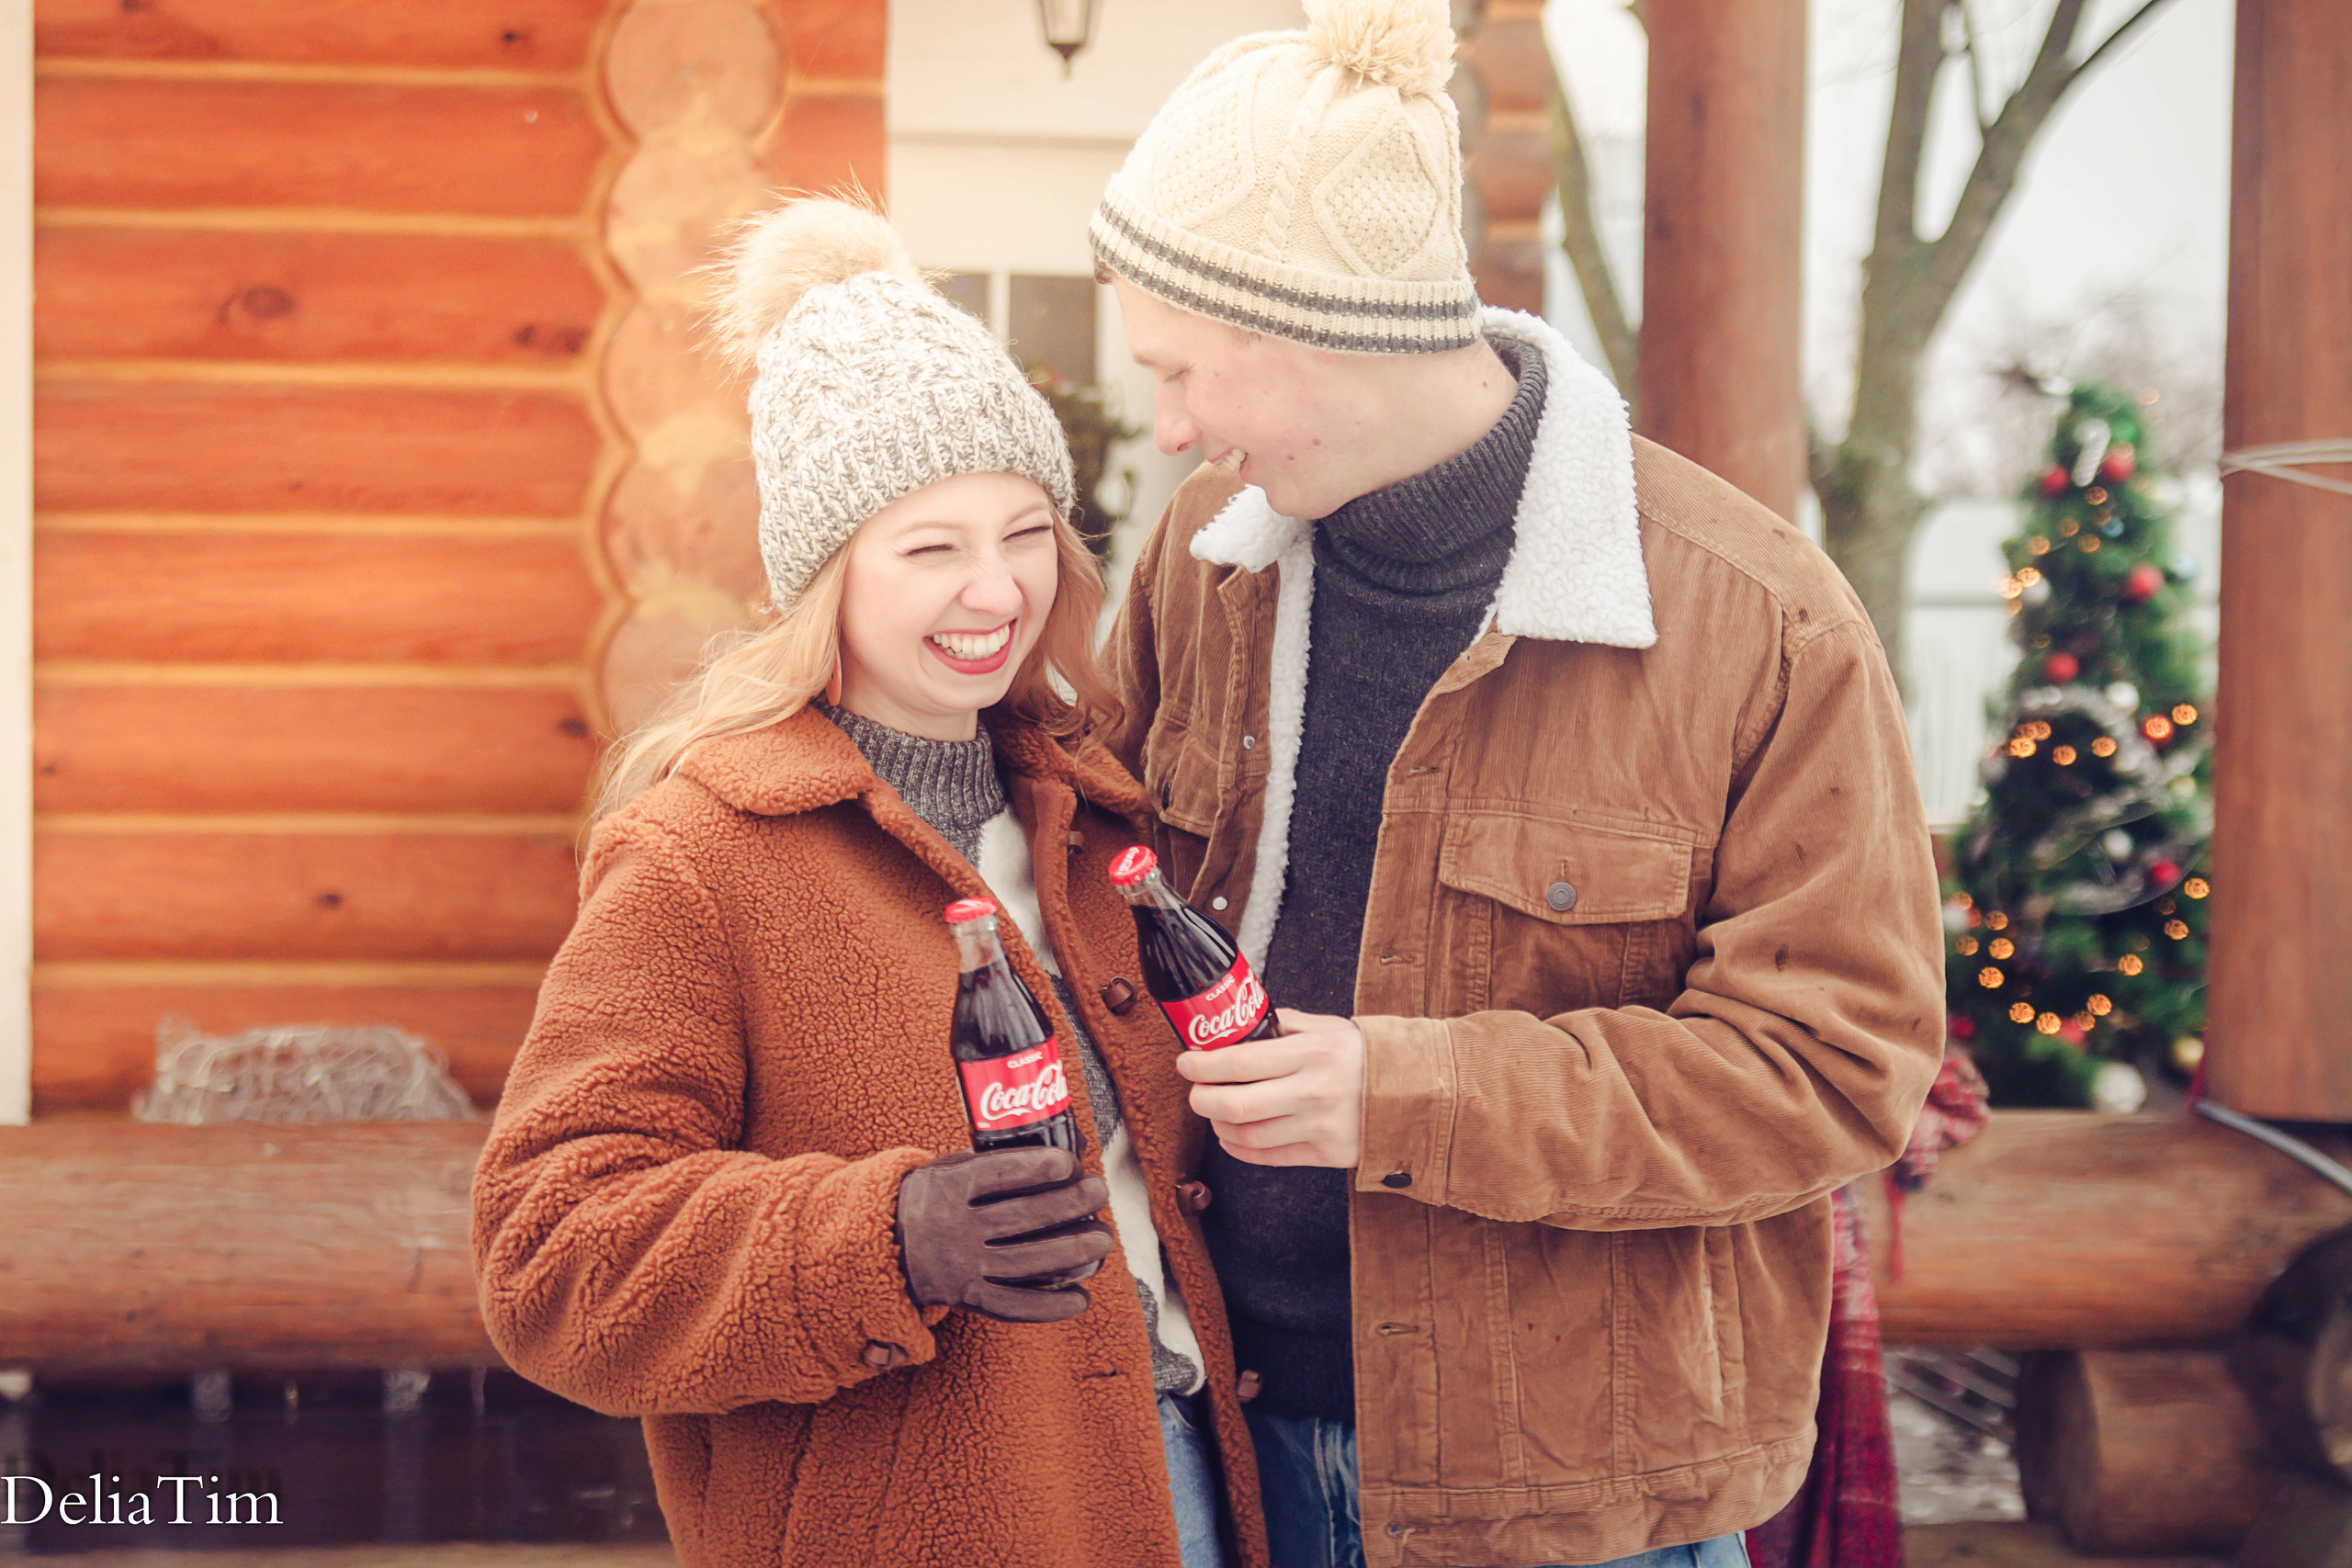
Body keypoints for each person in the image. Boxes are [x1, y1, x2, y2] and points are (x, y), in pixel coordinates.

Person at [1088, 2, 1946, 1565]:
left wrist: (1398, 1092)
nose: (1169, 428)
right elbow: (1081, 882)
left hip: (1576, 1502)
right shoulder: (1196, 572)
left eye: (1182, 370)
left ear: (1312, 324)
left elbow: (1835, 1068)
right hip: (1230, 1438)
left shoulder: (1761, 623)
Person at [470, 199, 1268, 1568]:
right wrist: (879, 1239)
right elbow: (549, 1251)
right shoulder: (703, 851)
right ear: (827, 579)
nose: (993, 591)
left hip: (1178, 1482)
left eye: (1023, 532)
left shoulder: (1094, 820)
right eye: (929, 547)